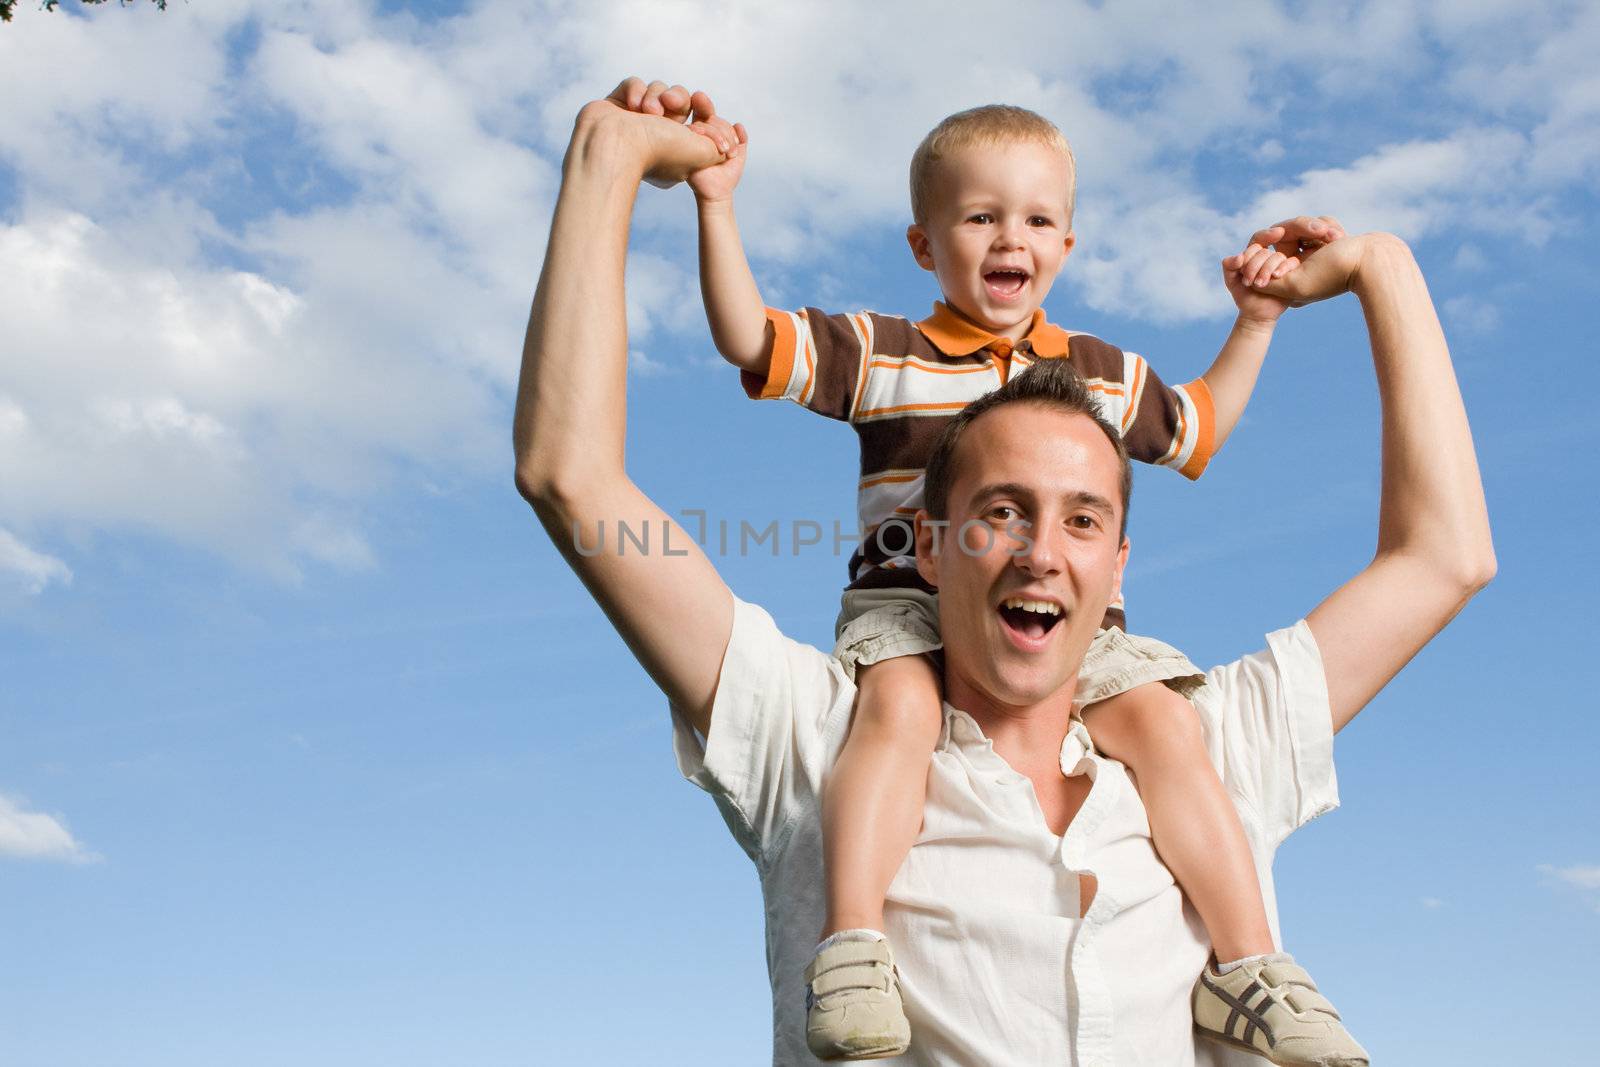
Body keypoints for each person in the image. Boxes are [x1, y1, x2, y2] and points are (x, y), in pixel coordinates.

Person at [512, 78, 1494, 1067]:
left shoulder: (1202, 743)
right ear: (929, 543)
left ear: (1118, 563)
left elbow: (1444, 554)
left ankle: (1252, 972)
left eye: (1081, 518)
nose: (1038, 551)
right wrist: (612, 159)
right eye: (999, 511)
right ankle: (852, 948)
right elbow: (573, 475)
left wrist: (1377, 266)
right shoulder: (823, 743)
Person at [683, 91, 1351, 1062]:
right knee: (899, 717)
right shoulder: (887, 353)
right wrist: (714, 203)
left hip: (1075, 635)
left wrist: (1256, 318)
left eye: (1036, 218)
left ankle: (1249, 966)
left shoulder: (1099, 374)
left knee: (1166, 724)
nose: (1011, 236)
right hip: (910, 613)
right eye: (980, 215)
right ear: (925, 245)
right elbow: (750, 335)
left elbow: (1201, 427)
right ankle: (855, 942)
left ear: (1066, 246)